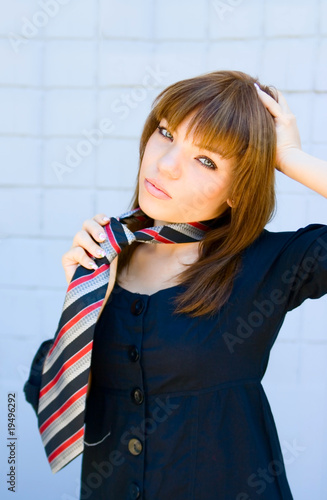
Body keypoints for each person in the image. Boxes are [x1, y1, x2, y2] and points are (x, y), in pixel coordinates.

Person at [24, 70, 327, 499]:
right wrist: (82, 307)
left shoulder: (270, 265)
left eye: (207, 160)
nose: (166, 164)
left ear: (240, 189)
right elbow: (49, 398)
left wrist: (290, 157)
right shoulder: (108, 256)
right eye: (166, 133)